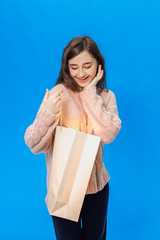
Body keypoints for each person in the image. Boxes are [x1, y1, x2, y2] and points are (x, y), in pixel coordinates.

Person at [24, 36, 122, 240]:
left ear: (98, 66)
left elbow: (108, 134)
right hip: (63, 188)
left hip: (96, 189)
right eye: (74, 67)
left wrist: (89, 95)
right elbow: (34, 144)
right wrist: (48, 114)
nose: (81, 73)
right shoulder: (58, 94)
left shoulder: (106, 97)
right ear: (66, 67)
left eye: (87, 66)